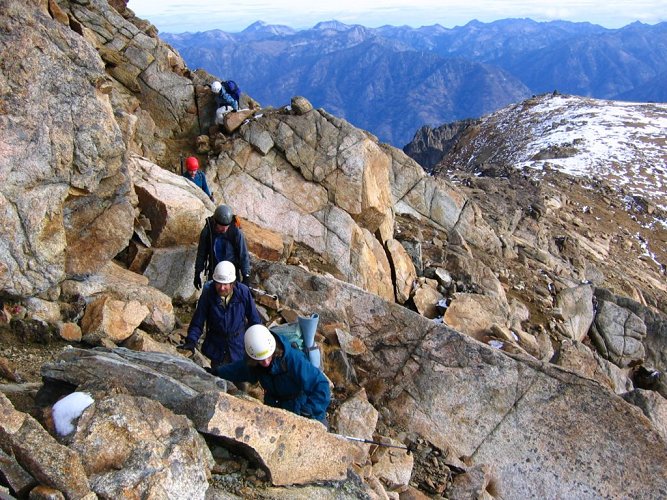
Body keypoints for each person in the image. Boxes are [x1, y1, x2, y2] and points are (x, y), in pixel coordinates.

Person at [211, 324, 331, 427]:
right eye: (261, 359)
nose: (266, 362)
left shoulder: (293, 359)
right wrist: (218, 372)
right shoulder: (254, 363)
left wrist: (309, 411)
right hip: (274, 409)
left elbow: (320, 384)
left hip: (299, 407)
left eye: (268, 357)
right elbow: (239, 370)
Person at [180, 261, 261, 369]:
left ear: (232, 283)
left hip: (239, 347)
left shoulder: (243, 293)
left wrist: (258, 346)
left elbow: (255, 321)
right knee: (218, 380)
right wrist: (191, 340)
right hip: (217, 348)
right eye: (218, 283)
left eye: (225, 284)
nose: (222, 288)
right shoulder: (208, 294)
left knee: (242, 383)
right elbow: (198, 320)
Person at [194, 204, 251, 289]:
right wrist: (197, 273)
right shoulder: (207, 232)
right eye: (221, 227)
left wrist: (246, 276)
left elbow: (243, 254)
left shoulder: (236, 232)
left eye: (226, 226)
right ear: (215, 222)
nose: (224, 229)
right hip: (214, 272)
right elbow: (202, 253)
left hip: (232, 273)